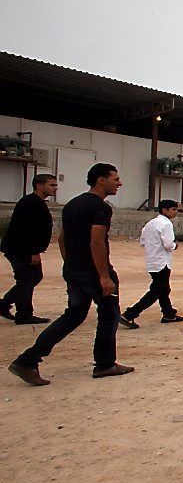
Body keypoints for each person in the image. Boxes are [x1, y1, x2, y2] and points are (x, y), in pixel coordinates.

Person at [8, 163, 133, 386]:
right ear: (101, 180)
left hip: (75, 270)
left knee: (73, 315)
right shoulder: (101, 208)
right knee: (109, 314)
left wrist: (70, 266)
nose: (119, 183)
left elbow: (63, 238)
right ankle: (105, 364)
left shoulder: (72, 204)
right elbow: (96, 242)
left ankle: (28, 360)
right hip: (93, 272)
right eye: (115, 179)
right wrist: (104, 276)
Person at [0, 173, 58, 324]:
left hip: (22, 248)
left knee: (32, 278)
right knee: (27, 279)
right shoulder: (31, 203)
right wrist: (33, 252)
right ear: (39, 185)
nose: (55, 188)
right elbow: (26, 230)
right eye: (52, 185)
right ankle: (24, 314)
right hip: (21, 249)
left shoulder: (35, 202)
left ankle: (4, 304)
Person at [119, 199, 183, 329]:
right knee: (156, 291)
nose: (176, 212)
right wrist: (175, 246)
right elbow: (169, 244)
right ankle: (130, 314)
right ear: (164, 210)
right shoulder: (166, 224)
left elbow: (142, 241)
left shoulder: (150, 223)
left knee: (163, 289)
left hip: (152, 261)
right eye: (173, 209)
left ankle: (168, 314)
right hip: (162, 262)